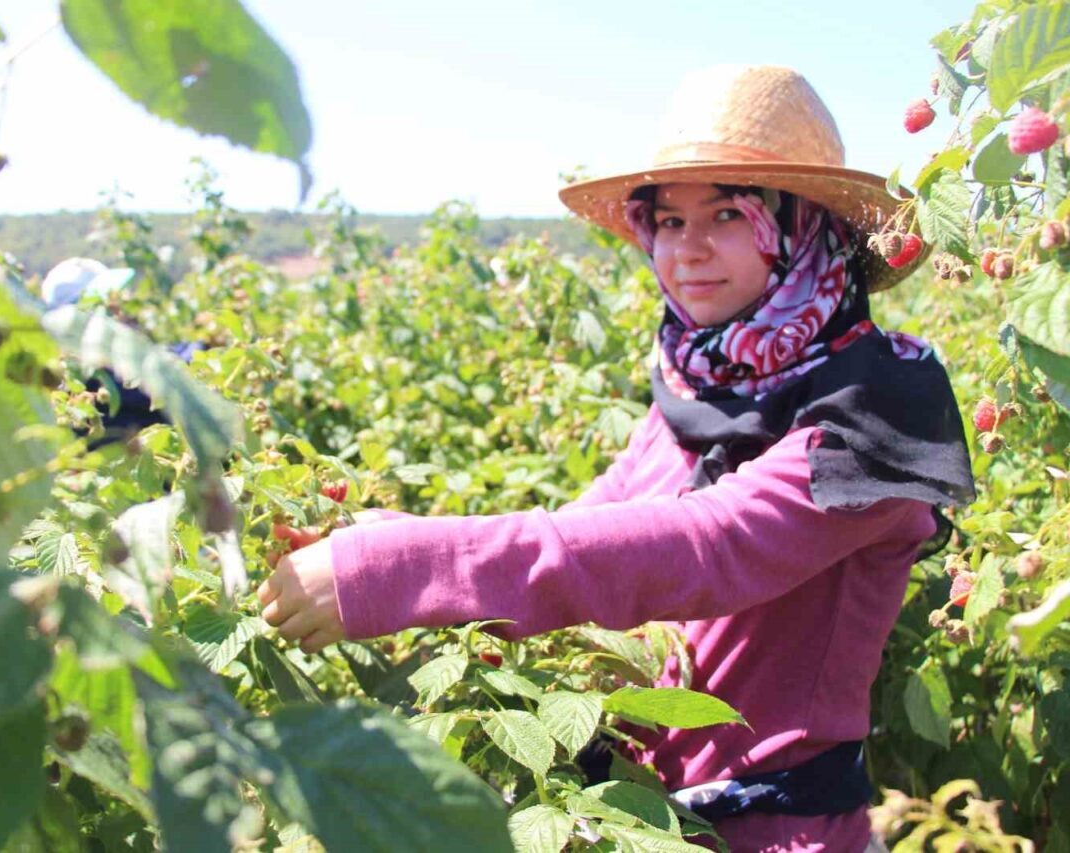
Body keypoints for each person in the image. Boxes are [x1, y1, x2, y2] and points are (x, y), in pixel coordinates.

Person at [256, 65, 975, 852]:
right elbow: (588, 533)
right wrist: (395, 535)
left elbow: (707, 545)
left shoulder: (876, 410)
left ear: (801, 229)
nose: (687, 250)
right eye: (667, 221)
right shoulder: (695, 394)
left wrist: (399, 567)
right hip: (628, 820)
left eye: (728, 213)